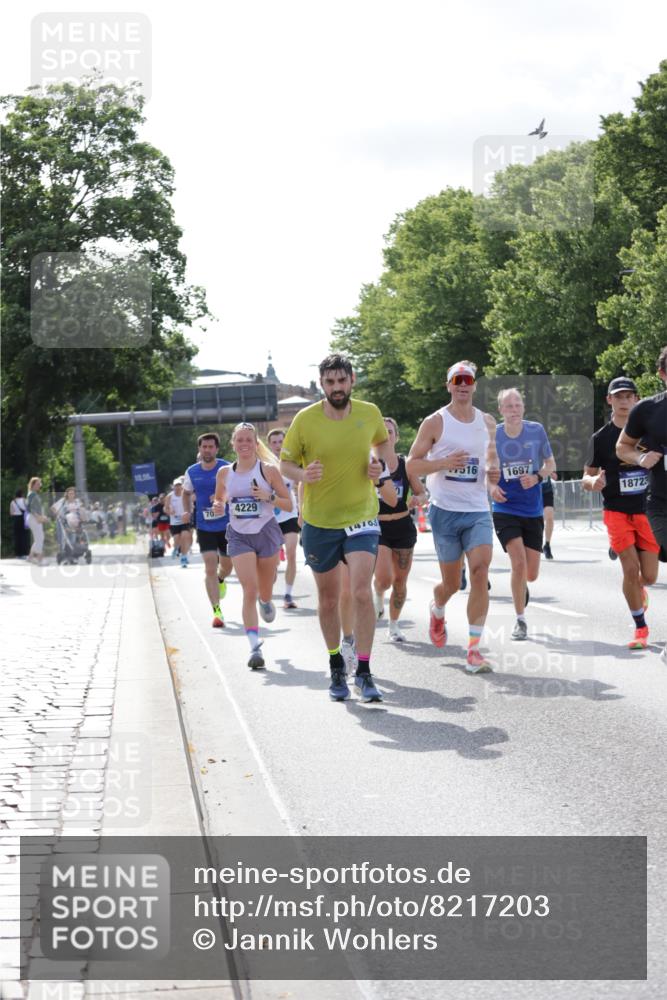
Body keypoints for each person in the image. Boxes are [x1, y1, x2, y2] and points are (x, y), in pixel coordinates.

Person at [280, 353, 393, 702]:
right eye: (330, 382)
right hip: (320, 521)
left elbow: (383, 445)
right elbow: (285, 464)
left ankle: (364, 671)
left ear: (352, 379)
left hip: (361, 516)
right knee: (329, 600)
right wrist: (303, 474)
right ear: (322, 384)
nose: (337, 388)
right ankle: (335, 666)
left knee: (360, 592)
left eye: (342, 380)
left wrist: (379, 465)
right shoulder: (305, 419)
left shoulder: (369, 413)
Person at [407, 361, 500, 673]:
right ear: (448, 385)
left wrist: (493, 477)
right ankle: (438, 608)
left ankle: (473, 651)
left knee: (480, 572)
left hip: (477, 510)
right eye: (457, 380)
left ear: (474, 385)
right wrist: (444, 463)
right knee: (451, 584)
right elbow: (412, 465)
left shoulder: (488, 422)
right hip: (445, 511)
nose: (462, 385)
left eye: (467, 380)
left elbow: (491, 463)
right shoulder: (435, 422)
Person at [584, 376, 659, 650]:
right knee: (630, 568)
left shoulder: (649, 432)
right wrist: (594, 481)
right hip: (616, 511)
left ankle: (638, 590)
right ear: (609, 400)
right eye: (618, 396)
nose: (624, 401)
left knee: (649, 576)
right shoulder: (600, 438)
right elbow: (586, 477)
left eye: (629, 396)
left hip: (646, 511)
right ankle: (640, 627)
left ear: (636, 399)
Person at [214, 423, 292, 668]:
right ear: (233, 444)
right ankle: (254, 647)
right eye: (240, 440)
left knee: (264, 591)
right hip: (239, 535)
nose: (244, 444)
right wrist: (218, 505)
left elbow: (288, 504)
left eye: (249, 440)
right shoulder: (224, 473)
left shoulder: (268, 470)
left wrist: (268, 497)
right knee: (249, 589)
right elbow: (220, 499)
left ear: (256, 444)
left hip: (266, 532)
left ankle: (266, 601)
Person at [490, 388, 556, 640]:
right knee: (517, 563)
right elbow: (485, 470)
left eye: (517, 405)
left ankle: (522, 585)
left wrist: (537, 477)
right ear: (501, 410)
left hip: (532, 508)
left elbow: (550, 464)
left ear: (523, 407)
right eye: (508, 406)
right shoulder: (493, 435)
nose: (514, 410)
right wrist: (491, 488)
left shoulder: (536, 430)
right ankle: (520, 620)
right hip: (505, 507)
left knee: (531, 573)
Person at [616, 349, 667, 663]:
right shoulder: (648, 410)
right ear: (663, 374)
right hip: (661, 504)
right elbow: (622, 446)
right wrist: (640, 457)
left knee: (650, 574)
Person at [372, 417, 427, 641]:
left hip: (403, 525)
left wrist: (418, 499)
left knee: (400, 581)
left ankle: (394, 626)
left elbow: (422, 493)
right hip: (377, 526)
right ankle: (378, 592)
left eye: (390, 431)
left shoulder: (406, 465)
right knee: (384, 578)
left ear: (396, 437)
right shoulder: (370, 465)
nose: (386, 436)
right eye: (381, 432)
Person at [182, 432, 232, 628]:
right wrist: (187, 511)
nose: (207, 450)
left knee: (227, 567)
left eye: (211, 447)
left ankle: (221, 578)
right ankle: (217, 611)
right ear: (199, 449)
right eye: (204, 447)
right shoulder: (192, 471)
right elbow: (186, 493)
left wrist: (222, 496)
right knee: (210, 567)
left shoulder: (227, 468)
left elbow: (237, 490)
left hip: (227, 525)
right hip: (204, 526)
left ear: (216, 449)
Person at [266, 428, 301, 608]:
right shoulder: (264, 465)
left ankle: (288, 594)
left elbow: (301, 486)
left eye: (281, 441)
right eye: (274, 442)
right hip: (270, 518)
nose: (278, 445)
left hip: (290, 514)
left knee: (292, 553)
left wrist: (302, 511)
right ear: (269, 445)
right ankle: (267, 595)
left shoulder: (292, 463)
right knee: (272, 562)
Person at [165, 477, 192, 567]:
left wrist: (189, 512)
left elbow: (191, 505)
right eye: (176, 485)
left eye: (179, 485)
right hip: (174, 521)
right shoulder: (169, 496)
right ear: (173, 487)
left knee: (184, 537)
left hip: (184, 519)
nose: (178, 487)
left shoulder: (186, 494)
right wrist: (170, 511)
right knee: (177, 539)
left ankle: (184, 557)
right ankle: (176, 548)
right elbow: (165, 508)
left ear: (182, 486)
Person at [25, 477, 49, 564]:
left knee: (39, 538)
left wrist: (42, 516)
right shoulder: (32, 494)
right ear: (33, 485)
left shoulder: (34, 494)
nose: (40, 485)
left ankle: (30, 557)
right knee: (39, 538)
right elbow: (30, 507)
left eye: (40, 484)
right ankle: (40, 559)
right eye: (38, 484)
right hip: (33, 518)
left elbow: (37, 507)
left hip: (35, 518)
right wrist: (38, 517)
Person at [9, 490, 29, 558]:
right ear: (22, 494)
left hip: (16, 519)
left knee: (17, 537)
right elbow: (28, 510)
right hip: (23, 519)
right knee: (24, 536)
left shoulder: (13, 502)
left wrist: (16, 513)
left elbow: (11, 513)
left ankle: (18, 554)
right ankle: (24, 554)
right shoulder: (24, 500)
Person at [541, 474, 557, 559]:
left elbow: (555, 476)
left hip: (547, 491)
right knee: (537, 519)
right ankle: (534, 541)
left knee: (549, 516)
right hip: (532, 491)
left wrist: (550, 473)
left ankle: (547, 545)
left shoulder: (548, 462)